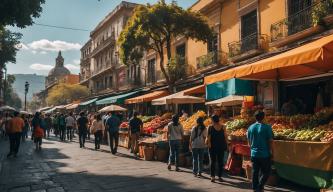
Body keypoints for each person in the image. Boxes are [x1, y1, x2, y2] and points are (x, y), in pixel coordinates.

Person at [247, 111, 274, 192]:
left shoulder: (250, 127)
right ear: (264, 117)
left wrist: (252, 148)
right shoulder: (267, 127)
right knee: (266, 172)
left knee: (255, 172)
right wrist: (272, 152)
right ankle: (260, 186)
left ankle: (256, 188)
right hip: (264, 154)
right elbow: (270, 141)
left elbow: (248, 141)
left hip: (254, 154)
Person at [206, 115, 228, 182]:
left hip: (212, 147)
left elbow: (208, 138)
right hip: (221, 146)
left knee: (213, 162)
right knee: (220, 162)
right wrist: (227, 144)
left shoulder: (210, 127)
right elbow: (226, 137)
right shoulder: (223, 126)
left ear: (212, 120)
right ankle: (220, 176)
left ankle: (212, 177)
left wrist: (208, 144)